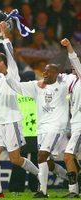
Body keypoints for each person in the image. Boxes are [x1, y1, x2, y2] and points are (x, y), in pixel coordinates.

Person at [4, 22, 75, 197]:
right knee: (48, 162)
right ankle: (72, 179)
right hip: (41, 128)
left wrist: (69, 49)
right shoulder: (37, 86)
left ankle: (42, 191)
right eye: (44, 71)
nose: (44, 73)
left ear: (56, 74)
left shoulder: (64, 83)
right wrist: (5, 73)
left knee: (41, 156)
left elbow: (76, 69)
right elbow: (16, 86)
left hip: (56, 126)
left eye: (48, 71)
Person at [0, 22, 39, 198]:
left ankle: (39, 176)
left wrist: (4, 35)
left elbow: (10, 54)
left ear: (2, 63)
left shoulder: (12, 74)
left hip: (12, 122)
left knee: (15, 159)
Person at [9, 71, 38, 194]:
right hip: (36, 131)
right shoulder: (38, 92)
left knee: (19, 161)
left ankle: (16, 187)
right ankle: (36, 187)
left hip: (20, 132)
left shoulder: (16, 92)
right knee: (37, 161)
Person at [60, 38, 81, 198]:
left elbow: (73, 58)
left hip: (80, 125)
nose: (74, 66)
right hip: (74, 124)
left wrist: (68, 46)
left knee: (67, 155)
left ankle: (73, 191)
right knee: (74, 157)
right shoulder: (72, 80)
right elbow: (56, 77)